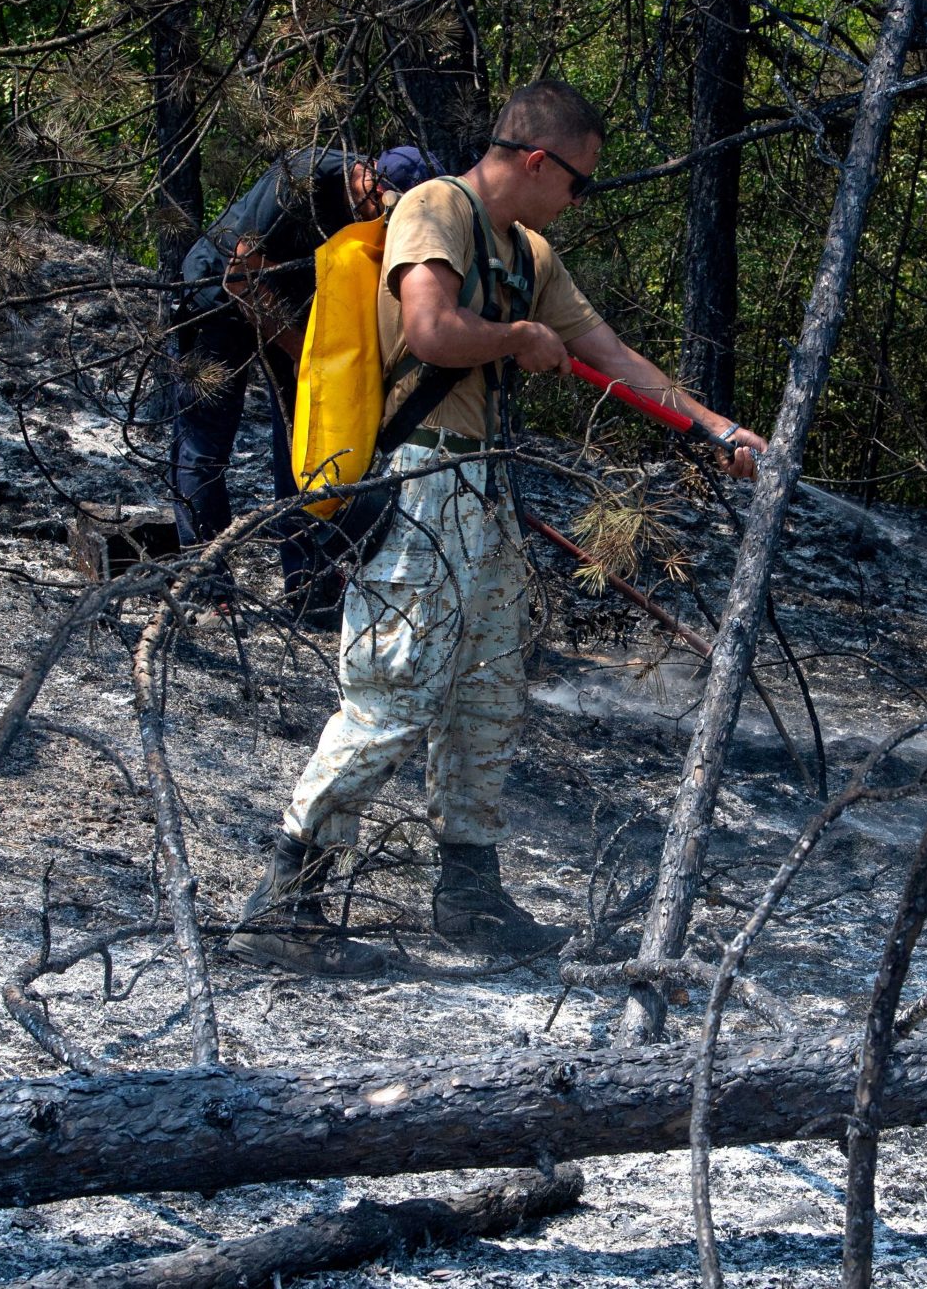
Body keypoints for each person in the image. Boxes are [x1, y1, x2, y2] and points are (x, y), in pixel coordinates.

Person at [231, 82, 767, 976]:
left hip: (482, 488)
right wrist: (518, 337)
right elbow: (432, 330)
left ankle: (468, 893)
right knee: (394, 695)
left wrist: (710, 427)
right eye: (578, 181)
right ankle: (288, 893)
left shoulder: (532, 253)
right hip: (417, 480)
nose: (577, 199)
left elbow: (610, 353)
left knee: (487, 695)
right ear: (534, 158)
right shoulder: (436, 207)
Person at [167, 146, 438, 621]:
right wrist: (302, 352)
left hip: (289, 311)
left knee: (306, 444)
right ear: (372, 183)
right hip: (216, 297)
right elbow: (240, 276)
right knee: (204, 447)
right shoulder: (302, 179)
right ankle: (206, 581)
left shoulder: (380, 218)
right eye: (391, 210)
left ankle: (310, 587)